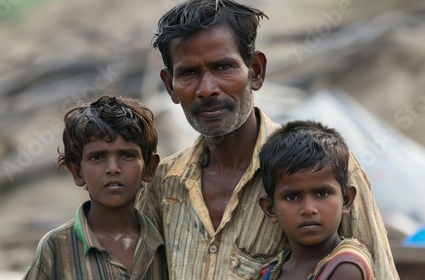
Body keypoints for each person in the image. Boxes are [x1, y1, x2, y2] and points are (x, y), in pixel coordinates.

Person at [136, 0, 398, 279]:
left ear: (256, 71)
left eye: (223, 67)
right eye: (189, 73)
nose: (207, 89)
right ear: (170, 86)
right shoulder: (164, 184)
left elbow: (380, 272)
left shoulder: (322, 166)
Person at [23, 95, 168, 279]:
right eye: (97, 157)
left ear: (149, 168)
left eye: (127, 155)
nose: (113, 168)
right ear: (77, 172)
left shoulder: (166, 246)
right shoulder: (56, 248)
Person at [258, 120, 375, 280]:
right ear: (270, 209)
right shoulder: (273, 271)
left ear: (346, 200)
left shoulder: (347, 268)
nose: (308, 209)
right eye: (292, 197)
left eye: (322, 194)